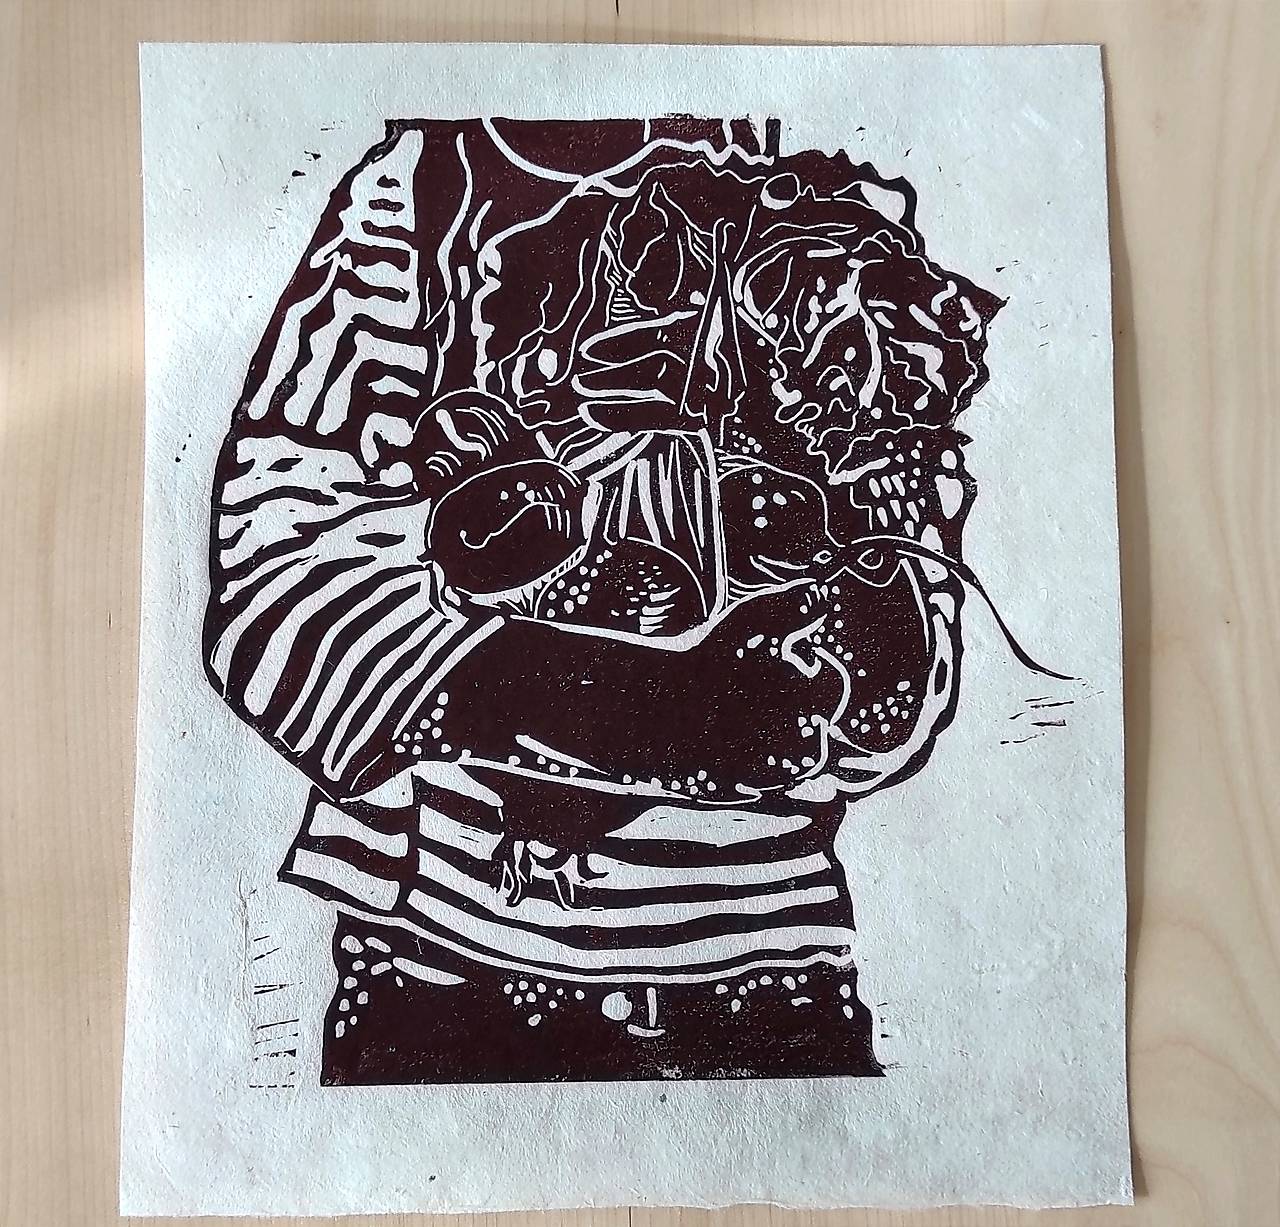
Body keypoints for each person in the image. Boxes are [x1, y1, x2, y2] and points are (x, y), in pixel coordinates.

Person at [205, 116, 1003, 1082]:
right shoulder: (417, 187)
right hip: (437, 961)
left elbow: (893, 699)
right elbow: (273, 584)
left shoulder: (818, 190)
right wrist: (668, 706)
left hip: (759, 965)